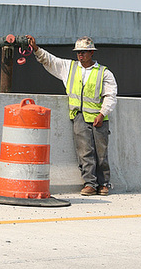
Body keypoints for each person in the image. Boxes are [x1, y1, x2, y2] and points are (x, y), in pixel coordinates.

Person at [26, 35, 117, 196]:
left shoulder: (104, 73)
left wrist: (102, 114)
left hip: (99, 117)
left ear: (91, 53)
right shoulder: (70, 67)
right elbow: (50, 61)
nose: (80, 55)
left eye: (84, 52)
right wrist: (36, 48)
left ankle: (104, 184)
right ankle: (90, 183)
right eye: (78, 52)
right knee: (84, 152)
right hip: (79, 116)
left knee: (101, 153)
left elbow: (110, 95)